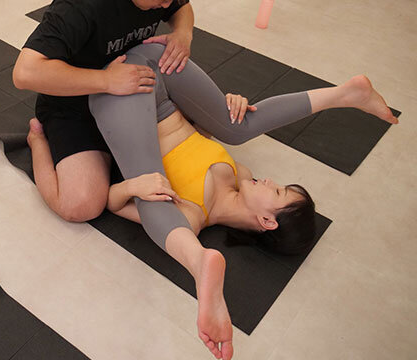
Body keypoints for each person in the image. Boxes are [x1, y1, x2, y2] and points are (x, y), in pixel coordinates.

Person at [28, 42, 398, 359]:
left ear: (267, 222)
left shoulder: (193, 216)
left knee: (153, 197)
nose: (271, 181)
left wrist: (133, 186)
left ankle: (198, 262)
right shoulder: (239, 173)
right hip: (159, 70)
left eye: (278, 192)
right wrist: (226, 108)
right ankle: (344, 94)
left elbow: (110, 202)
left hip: (124, 96)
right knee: (238, 125)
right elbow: (199, 128)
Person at [13, 0, 204, 224]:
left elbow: (182, 7)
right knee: (81, 206)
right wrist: (105, 80)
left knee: (201, 139)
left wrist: (184, 33)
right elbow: (25, 73)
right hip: (74, 105)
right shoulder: (82, 3)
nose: (165, 6)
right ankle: (38, 141)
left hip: (132, 95)